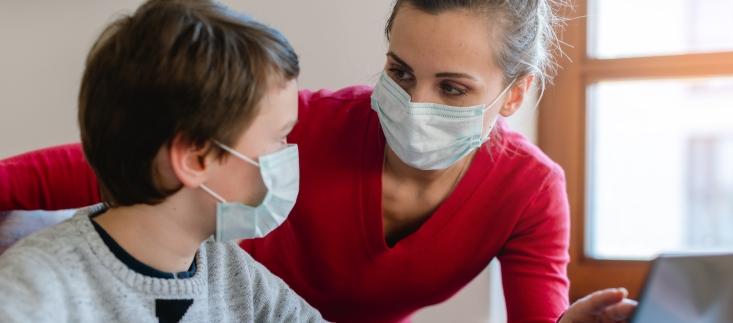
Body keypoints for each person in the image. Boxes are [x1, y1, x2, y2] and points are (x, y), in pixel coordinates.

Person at [0, 0, 637, 322]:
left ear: (515, 93)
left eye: (451, 88)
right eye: (399, 71)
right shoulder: (43, 290)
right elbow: (129, 153)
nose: (414, 105)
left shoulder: (236, 281)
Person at [0, 0, 325, 322]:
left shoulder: (234, 275)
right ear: (195, 160)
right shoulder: (32, 292)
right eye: (280, 136)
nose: (287, 151)